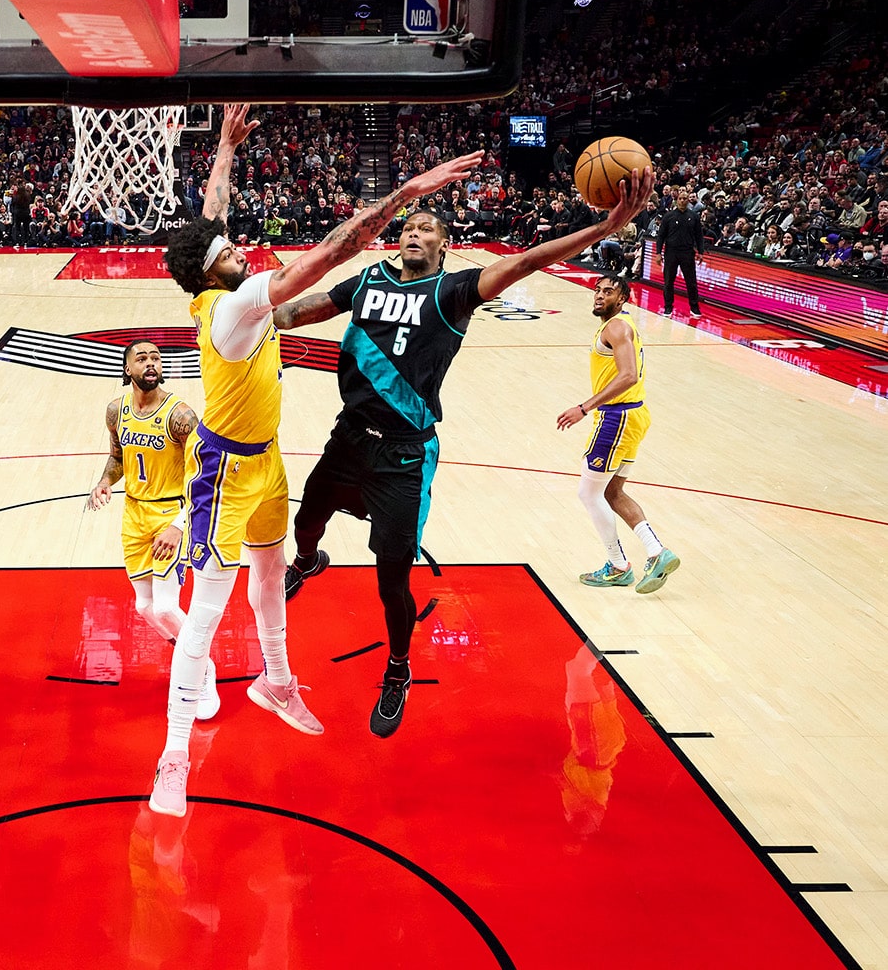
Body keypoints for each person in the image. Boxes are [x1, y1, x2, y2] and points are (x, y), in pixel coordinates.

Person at [146, 103, 483, 818]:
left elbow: (211, 224)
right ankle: (173, 756)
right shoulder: (233, 306)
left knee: (271, 580)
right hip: (224, 472)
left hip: (265, 461)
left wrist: (225, 154)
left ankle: (277, 684)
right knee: (207, 611)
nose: (242, 249)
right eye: (232, 253)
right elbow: (334, 252)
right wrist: (405, 195)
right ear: (217, 276)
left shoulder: (217, 281)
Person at [276, 161, 654, 740]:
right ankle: (308, 562)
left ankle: (397, 669)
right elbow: (306, 308)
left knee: (391, 579)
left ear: (445, 245)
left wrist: (603, 229)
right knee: (307, 519)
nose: (412, 231)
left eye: (426, 227)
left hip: (405, 453)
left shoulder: (453, 291)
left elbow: (527, 261)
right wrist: (251, 314)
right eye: (407, 225)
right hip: (348, 435)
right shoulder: (368, 281)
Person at [87, 341, 219, 721]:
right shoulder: (117, 411)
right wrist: (104, 482)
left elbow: (204, 474)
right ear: (127, 368)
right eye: (142, 358)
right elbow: (117, 458)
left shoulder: (180, 416)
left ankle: (202, 668)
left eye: (156, 358)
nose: (151, 363)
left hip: (171, 515)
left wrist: (180, 526)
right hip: (134, 515)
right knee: (144, 607)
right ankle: (188, 652)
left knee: (164, 605)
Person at [556, 274, 681, 594]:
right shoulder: (618, 324)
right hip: (633, 415)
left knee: (589, 493)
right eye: (597, 290)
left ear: (623, 299)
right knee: (612, 493)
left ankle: (618, 565)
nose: (599, 296)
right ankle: (656, 552)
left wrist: (584, 408)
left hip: (617, 418)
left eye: (608, 292)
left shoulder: (616, 327)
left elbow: (628, 375)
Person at [655, 189, 704, 317]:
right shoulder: (669, 216)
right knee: (668, 281)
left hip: (687, 252)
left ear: (688, 201)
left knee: (691, 282)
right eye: (680, 198)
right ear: (677, 201)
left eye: (685, 199)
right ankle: (668, 307)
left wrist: (701, 251)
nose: (682, 201)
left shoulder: (694, 216)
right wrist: (658, 252)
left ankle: (694, 307)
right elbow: (661, 236)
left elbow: (699, 236)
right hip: (671, 252)